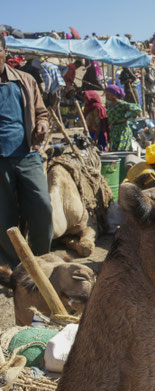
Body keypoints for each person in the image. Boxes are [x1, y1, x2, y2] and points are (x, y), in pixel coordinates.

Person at [0, 35, 52, 270]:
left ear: (5, 52)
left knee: (42, 207)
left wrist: (42, 126)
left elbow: (42, 113)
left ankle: (42, 261)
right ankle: (16, 268)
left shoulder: (24, 81)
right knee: (4, 218)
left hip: (28, 154)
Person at [105, 84, 142, 151]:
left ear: (114, 95)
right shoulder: (110, 105)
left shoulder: (121, 104)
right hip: (114, 131)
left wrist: (128, 117)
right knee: (114, 151)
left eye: (108, 94)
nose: (106, 96)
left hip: (122, 130)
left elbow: (137, 109)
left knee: (122, 150)